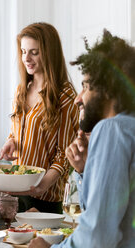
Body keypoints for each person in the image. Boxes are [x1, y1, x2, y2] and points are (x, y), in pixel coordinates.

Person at [29, 30, 135, 248]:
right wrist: (85, 170)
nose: (79, 98)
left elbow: (96, 237)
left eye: (86, 86)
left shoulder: (112, 129)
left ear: (107, 89)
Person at [0, 22, 79, 213]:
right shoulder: (21, 90)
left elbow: (65, 153)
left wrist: (43, 184)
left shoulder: (65, 96)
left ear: (49, 53)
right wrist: (11, 142)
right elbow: (14, 132)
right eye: (23, 51)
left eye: (34, 52)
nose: (26, 58)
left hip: (46, 197)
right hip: (17, 192)